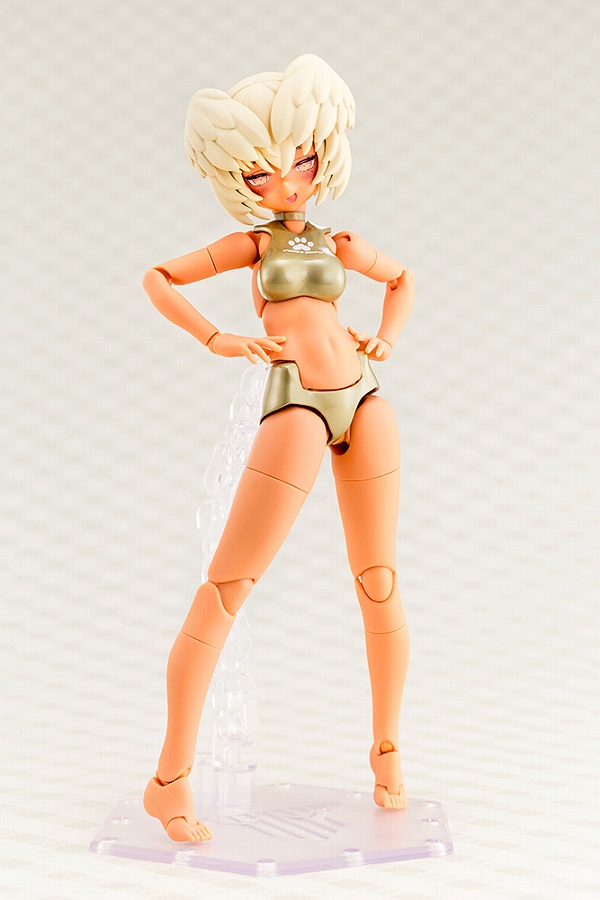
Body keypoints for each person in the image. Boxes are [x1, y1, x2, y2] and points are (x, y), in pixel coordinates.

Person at [142, 54, 415, 842]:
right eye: (262, 171)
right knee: (227, 587)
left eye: (302, 160)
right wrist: (219, 338)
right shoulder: (252, 247)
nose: (288, 182)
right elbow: (159, 277)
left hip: (363, 395)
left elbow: (402, 279)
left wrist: (385, 338)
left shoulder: (341, 241)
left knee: (380, 579)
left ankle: (388, 751)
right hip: (295, 400)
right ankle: (168, 780)